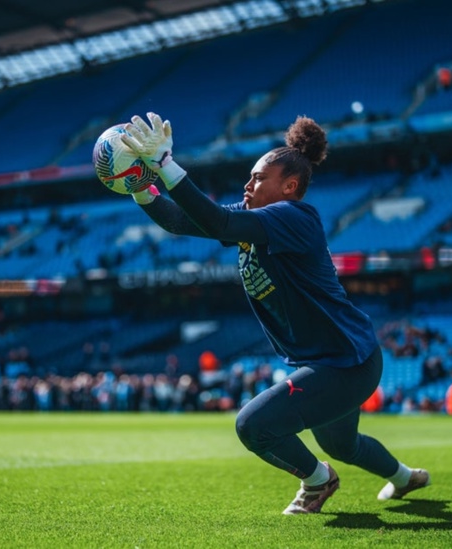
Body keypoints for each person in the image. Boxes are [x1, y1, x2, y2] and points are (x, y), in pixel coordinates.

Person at [120, 112, 430, 515]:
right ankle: (405, 478)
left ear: (290, 186)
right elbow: (182, 221)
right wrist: (141, 189)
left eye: (258, 178)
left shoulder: (294, 216)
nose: (247, 184)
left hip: (346, 363)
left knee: (253, 426)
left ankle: (318, 480)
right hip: (336, 360)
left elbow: (217, 220)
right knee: (342, 444)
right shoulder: (257, 221)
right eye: (249, 178)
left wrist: (165, 166)